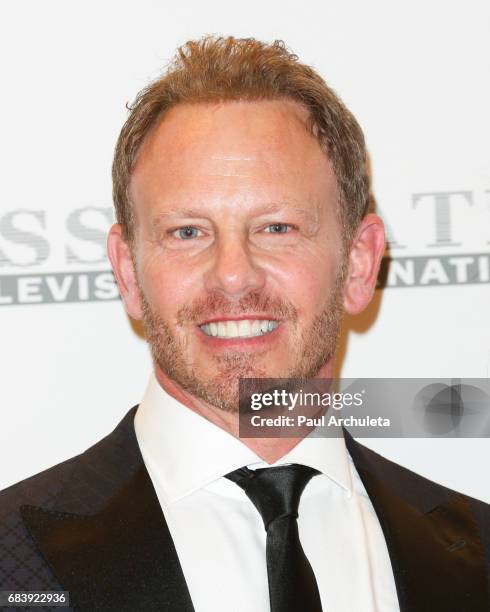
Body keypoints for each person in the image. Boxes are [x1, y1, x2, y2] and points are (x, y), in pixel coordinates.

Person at [0, 36, 488, 612]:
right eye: (188, 232)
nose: (233, 276)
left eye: (276, 228)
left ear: (359, 263)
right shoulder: (11, 558)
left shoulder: (476, 553)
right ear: (128, 272)